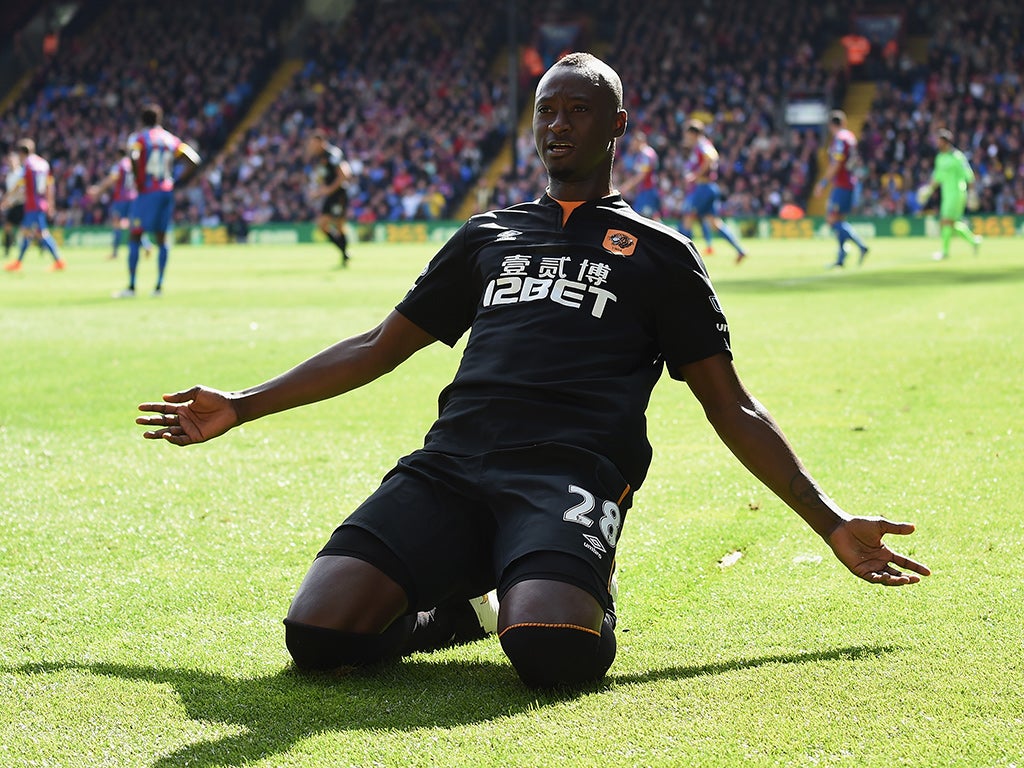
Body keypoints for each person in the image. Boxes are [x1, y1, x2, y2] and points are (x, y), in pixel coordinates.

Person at [137, 53, 930, 690]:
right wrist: (242, 405)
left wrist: (829, 522)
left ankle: (572, 580)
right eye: (546, 109)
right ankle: (459, 614)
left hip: (569, 475)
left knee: (551, 654)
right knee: (317, 635)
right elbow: (379, 346)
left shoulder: (661, 255)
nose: (556, 124)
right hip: (451, 467)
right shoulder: (488, 235)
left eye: (577, 108)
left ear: (616, 125)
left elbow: (732, 406)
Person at [117, 104, 201, 298]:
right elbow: (194, 160)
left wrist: (139, 181)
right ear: (159, 120)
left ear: (141, 120)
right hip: (165, 190)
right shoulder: (170, 139)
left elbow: (134, 155)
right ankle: (159, 286)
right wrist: (176, 181)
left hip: (147, 192)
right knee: (162, 238)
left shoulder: (139, 138)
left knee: (135, 236)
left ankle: (131, 287)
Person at [680, 120, 747, 264]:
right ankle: (740, 250)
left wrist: (695, 175)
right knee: (714, 223)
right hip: (709, 187)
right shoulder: (700, 146)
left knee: (688, 218)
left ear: (693, 133)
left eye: (687, 134)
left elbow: (711, 158)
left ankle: (683, 258)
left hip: (703, 188)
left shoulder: (702, 145)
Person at [916, 129, 981, 261]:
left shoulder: (957, 157)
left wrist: (973, 191)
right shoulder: (940, 158)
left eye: (939, 142)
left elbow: (968, 174)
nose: (937, 144)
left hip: (957, 193)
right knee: (951, 223)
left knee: (946, 221)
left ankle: (945, 252)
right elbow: (937, 177)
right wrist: (928, 190)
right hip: (947, 194)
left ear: (946, 142)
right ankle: (974, 240)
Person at [815, 110, 869, 268]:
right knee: (838, 220)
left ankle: (861, 246)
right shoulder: (851, 137)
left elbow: (837, 164)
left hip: (843, 184)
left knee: (831, 220)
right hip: (850, 182)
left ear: (831, 125)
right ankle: (841, 258)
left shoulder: (839, 139)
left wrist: (823, 183)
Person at [2, 139, 65, 273]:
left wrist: (6, 199)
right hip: (41, 203)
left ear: (21, 153)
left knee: (34, 233)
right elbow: (49, 185)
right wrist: (50, 203)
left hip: (32, 204)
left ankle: (57, 261)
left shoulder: (28, 165)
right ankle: (20, 262)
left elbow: (19, 185)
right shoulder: (43, 164)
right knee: (36, 233)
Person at [86, 148, 152, 261]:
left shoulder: (120, 165)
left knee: (117, 224)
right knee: (134, 224)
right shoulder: (133, 164)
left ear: (118, 154)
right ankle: (146, 245)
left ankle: (115, 252)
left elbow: (111, 179)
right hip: (134, 197)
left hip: (121, 199)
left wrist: (98, 189)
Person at [306, 130, 353, 268]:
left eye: (313, 143)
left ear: (321, 142)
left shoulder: (332, 154)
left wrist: (328, 189)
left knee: (334, 225)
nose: (311, 147)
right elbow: (325, 176)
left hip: (338, 195)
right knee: (327, 226)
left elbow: (344, 174)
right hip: (332, 195)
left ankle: (344, 254)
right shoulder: (320, 157)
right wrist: (319, 191)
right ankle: (344, 253)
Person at [617, 131, 660, 218]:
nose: (632, 145)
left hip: (647, 191)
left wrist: (625, 187)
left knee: (643, 217)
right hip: (645, 191)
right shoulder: (643, 154)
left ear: (639, 141)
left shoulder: (645, 154)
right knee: (651, 217)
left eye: (634, 142)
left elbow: (641, 175)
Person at [2, 150, 25, 258]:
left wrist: (7, 202)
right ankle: (7, 249)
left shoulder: (21, 173)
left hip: (20, 204)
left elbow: (19, 190)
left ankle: (42, 246)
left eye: (12, 160)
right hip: (13, 205)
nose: (10, 162)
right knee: (8, 227)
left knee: (26, 229)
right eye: (9, 161)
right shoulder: (9, 175)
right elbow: (10, 191)